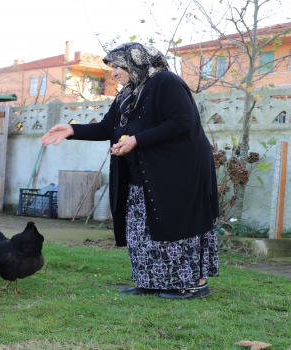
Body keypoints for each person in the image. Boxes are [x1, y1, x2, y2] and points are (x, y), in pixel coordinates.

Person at [41, 42, 219, 300]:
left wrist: (136, 140)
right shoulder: (127, 94)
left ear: (135, 62)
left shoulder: (166, 82)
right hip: (142, 174)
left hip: (179, 172)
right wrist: (72, 130)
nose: (113, 72)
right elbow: (106, 128)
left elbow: (183, 121)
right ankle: (149, 281)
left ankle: (193, 284)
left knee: (179, 228)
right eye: (111, 67)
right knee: (140, 229)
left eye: (117, 65)